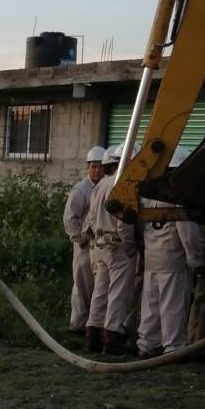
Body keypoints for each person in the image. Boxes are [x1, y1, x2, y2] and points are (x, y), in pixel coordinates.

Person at [137, 148, 205, 357]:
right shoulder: (180, 195)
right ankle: (173, 348)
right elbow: (188, 234)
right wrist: (197, 261)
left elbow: (141, 227)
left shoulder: (148, 192)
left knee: (150, 305)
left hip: (152, 258)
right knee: (173, 306)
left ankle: (146, 344)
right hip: (173, 259)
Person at [83, 143, 139, 355]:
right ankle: (111, 339)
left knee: (100, 292)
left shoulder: (101, 185)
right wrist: (130, 246)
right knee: (117, 294)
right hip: (117, 246)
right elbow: (124, 222)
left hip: (100, 245)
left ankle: (92, 337)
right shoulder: (124, 185)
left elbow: (89, 218)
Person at [63, 146, 106, 333]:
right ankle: (78, 323)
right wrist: (79, 238)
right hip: (84, 246)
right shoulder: (81, 190)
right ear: (88, 167)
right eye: (93, 167)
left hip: (99, 245)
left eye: (100, 167)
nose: (97, 170)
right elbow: (70, 217)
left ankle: (92, 323)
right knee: (81, 286)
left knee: (96, 287)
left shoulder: (103, 187)